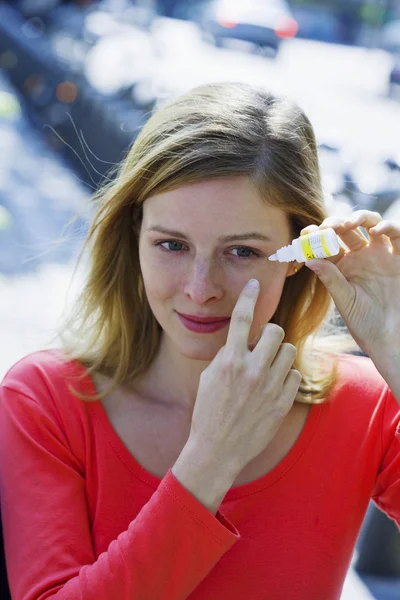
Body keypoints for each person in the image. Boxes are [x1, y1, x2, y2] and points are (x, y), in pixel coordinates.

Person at [0, 82, 399, 600]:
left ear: (298, 253)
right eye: (171, 244)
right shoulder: (45, 400)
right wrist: (210, 460)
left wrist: (394, 350)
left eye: (241, 252)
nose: (199, 289)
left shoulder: (365, 405)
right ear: (133, 237)